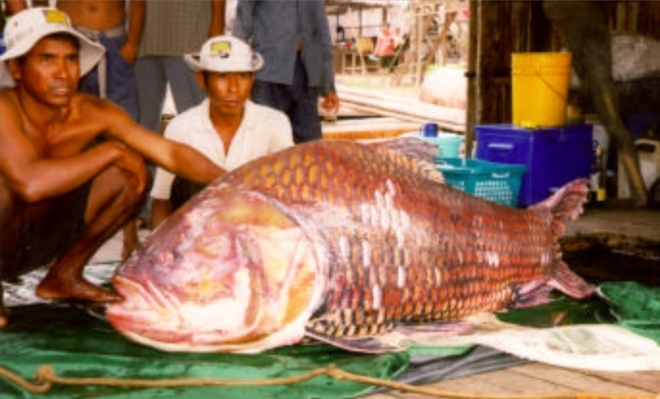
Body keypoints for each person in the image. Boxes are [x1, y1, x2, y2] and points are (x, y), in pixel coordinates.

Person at [0, 7, 224, 327]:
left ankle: (63, 276)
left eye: (70, 59)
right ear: (16, 68)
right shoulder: (4, 108)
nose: (63, 72)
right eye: (47, 59)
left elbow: (170, 153)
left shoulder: (92, 111)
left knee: (131, 172)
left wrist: (235, 181)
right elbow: (29, 184)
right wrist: (108, 150)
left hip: (36, 238)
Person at [150, 35, 294, 228]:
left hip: (256, 230)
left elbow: (288, 196)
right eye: (222, 76)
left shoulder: (274, 123)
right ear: (202, 80)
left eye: (242, 76)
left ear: (252, 79)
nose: (233, 88)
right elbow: (162, 199)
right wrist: (158, 254)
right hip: (199, 237)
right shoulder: (181, 127)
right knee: (189, 187)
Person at [232, 0, 339, 144]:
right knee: (268, 143)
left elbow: (321, 28)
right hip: (267, 74)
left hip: (306, 73)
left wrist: (328, 84)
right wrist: (236, 74)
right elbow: (242, 24)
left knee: (309, 147)